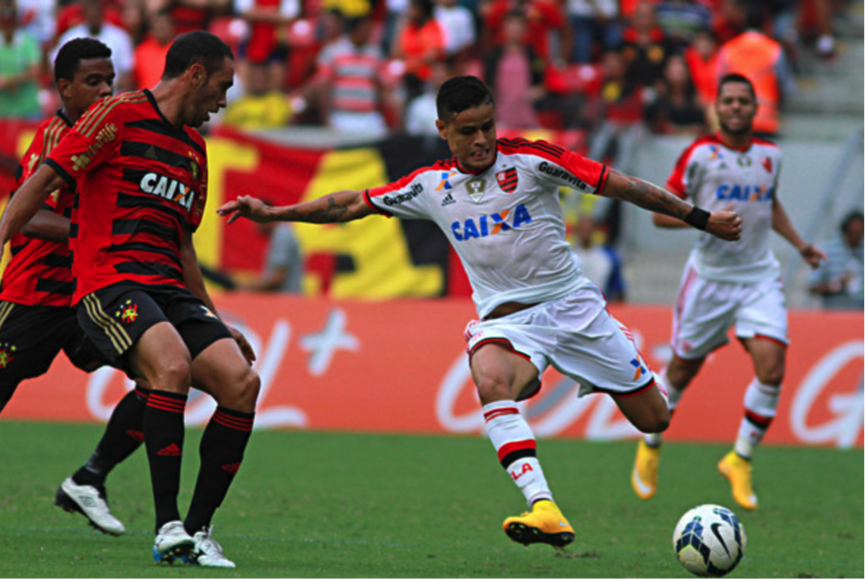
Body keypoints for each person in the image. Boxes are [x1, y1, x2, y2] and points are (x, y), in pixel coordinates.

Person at [218, 75, 742, 549]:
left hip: (575, 311)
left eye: (488, 126)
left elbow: (623, 186)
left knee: (656, 417)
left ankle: (588, 370)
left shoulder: (534, 161)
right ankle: (544, 507)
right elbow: (350, 203)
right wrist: (275, 212)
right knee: (490, 379)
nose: (482, 140)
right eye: (468, 131)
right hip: (506, 323)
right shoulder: (429, 186)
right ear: (444, 129)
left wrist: (701, 219)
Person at [0, 31, 260, 567]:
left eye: (106, 79)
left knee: (236, 379)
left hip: (153, 288)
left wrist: (214, 318)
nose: (224, 100)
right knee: (169, 365)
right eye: (222, 86)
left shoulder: (194, 150)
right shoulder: (110, 118)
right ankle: (164, 525)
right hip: (85, 285)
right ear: (194, 74)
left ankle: (183, 523)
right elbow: (36, 188)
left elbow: (183, 244)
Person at [630, 73, 826, 511]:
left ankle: (739, 458)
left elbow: (769, 204)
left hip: (759, 277)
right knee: (681, 373)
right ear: (717, 108)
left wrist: (800, 245)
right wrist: (704, 219)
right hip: (710, 280)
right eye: (729, 101)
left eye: (744, 101)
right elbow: (660, 214)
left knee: (772, 369)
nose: (736, 107)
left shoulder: (771, 156)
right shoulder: (700, 154)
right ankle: (651, 443)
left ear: (756, 109)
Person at [808, 210, 865, 310]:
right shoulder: (828, 251)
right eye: (853, 232)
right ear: (845, 230)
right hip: (835, 314)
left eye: (860, 233)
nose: (856, 237)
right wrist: (837, 285)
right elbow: (812, 287)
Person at [242, 219, 303, 293]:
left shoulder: (282, 236)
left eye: (256, 220)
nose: (254, 225)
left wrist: (247, 288)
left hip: (286, 300)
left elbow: (277, 279)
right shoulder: (281, 234)